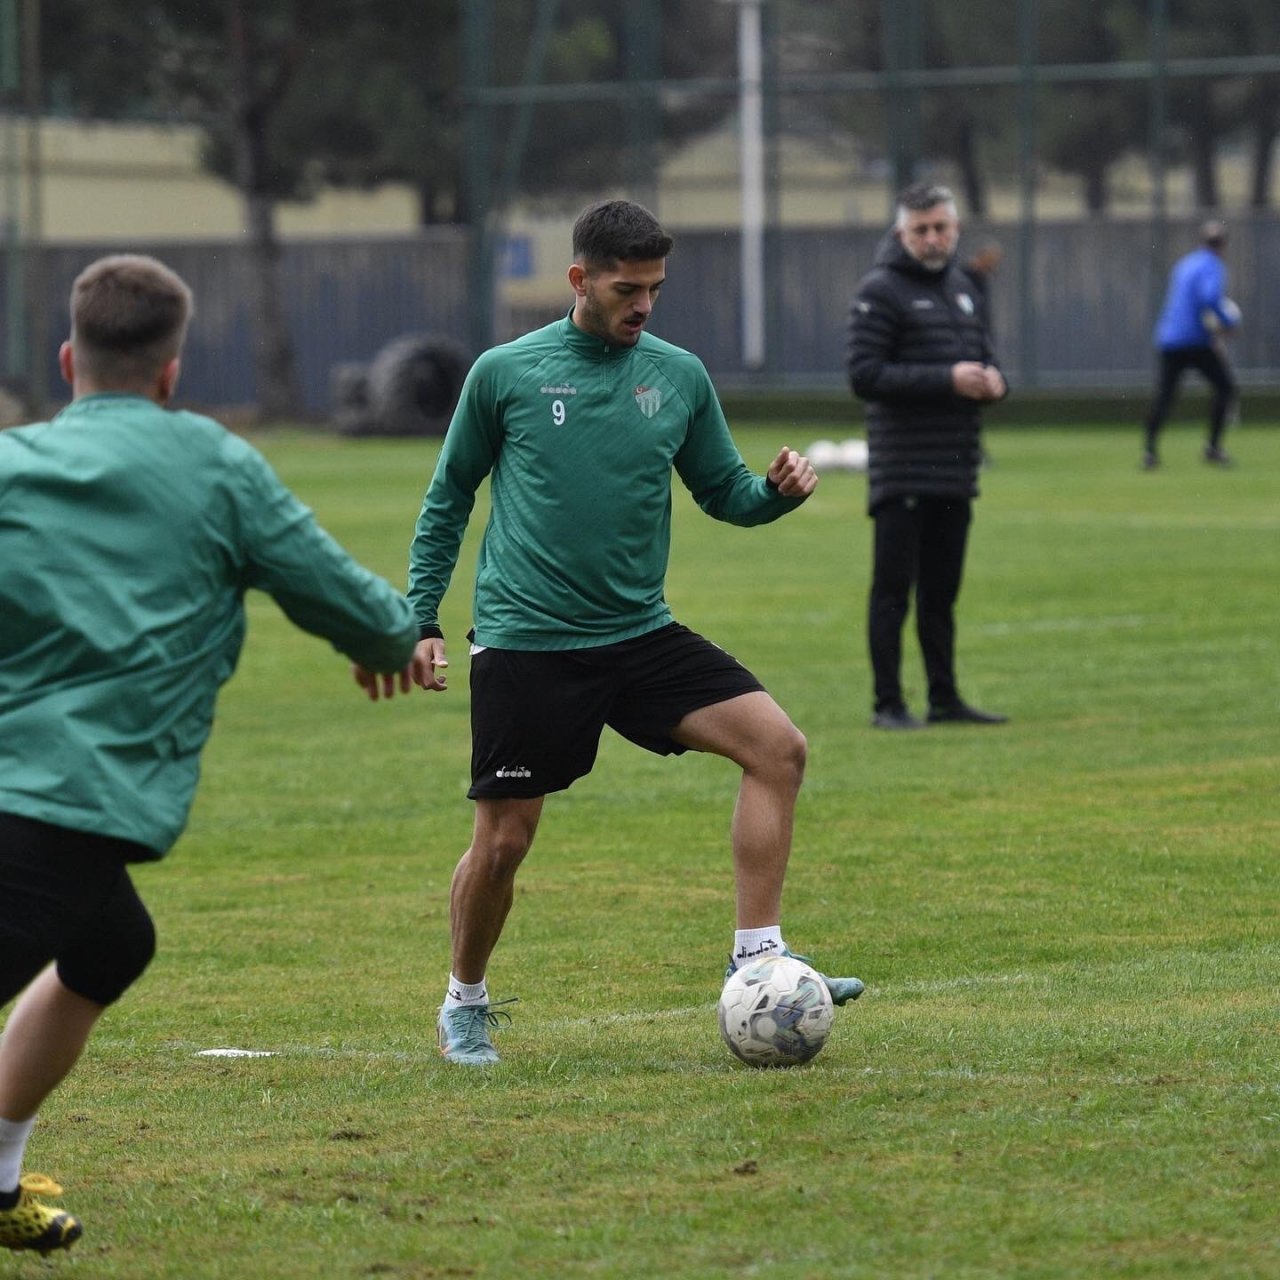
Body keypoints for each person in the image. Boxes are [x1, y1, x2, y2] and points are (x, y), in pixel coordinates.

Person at [0, 254, 418, 1254]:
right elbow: (334, 590)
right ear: (172, 372)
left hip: (51, 796)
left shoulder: (11, 463)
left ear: (69, 360)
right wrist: (394, 642)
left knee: (111, 946)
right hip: (52, 800)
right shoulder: (217, 465)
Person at [408, 198, 863, 1067]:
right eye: (627, 288)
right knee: (503, 842)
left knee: (778, 748)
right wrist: (421, 619)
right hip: (529, 640)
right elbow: (447, 498)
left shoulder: (679, 375)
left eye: (655, 288)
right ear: (580, 280)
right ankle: (463, 1001)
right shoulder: (505, 373)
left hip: (638, 635)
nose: (643, 304)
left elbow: (722, 491)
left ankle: (758, 961)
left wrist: (774, 494)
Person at [847, 182, 1008, 732]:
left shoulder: (966, 286)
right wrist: (947, 378)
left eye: (941, 227)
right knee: (893, 590)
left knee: (942, 593)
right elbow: (864, 375)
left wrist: (994, 382)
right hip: (904, 468)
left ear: (956, 230)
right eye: (921, 229)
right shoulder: (880, 290)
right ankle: (887, 704)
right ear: (901, 233)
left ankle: (945, 697)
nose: (933, 238)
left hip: (955, 467)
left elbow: (984, 358)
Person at [1141, 220, 1240, 470]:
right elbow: (1209, 298)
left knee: (1164, 395)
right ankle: (1213, 448)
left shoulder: (1185, 264)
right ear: (1223, 245)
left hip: (1170, 338)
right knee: (1225, 387)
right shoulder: (1213, 266)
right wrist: (1227, 322)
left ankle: (1149, 451)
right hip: (1195, 340)